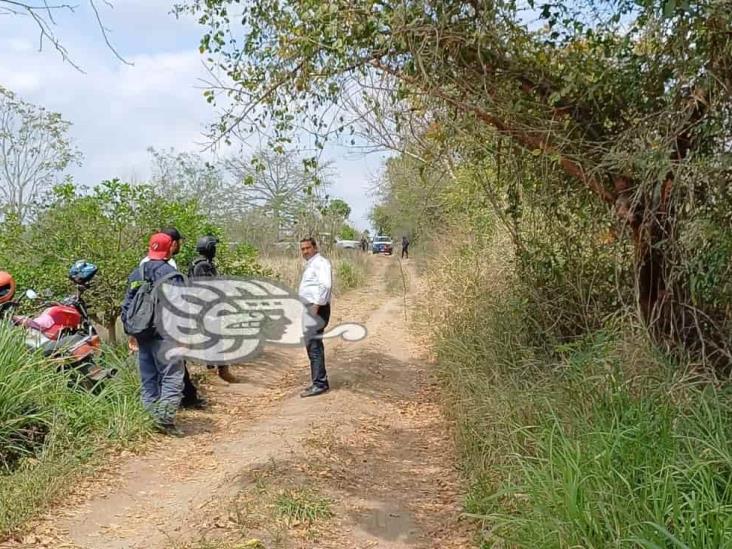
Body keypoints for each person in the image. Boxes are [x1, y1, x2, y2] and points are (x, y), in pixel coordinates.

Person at [121, 232, 186, 436]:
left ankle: (149, 418)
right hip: (165, 336)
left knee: (148, 378)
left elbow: (127, 305)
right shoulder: (173, 276)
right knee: (171, 377)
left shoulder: (137, 273)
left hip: (142, 334)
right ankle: (164, 421)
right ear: (170, 249)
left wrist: (132, 332)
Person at [188, 235, 238, 384]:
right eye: (214, 247)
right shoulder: (202, 265)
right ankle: (216, 373)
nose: (215, 250)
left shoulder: (201, 263)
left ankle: (220, 370)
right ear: (209, 249)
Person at [298, 237, 332, 398]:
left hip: (316, 308)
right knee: (312, 345)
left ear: (315, 247)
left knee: (314, 346)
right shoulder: (312, 264)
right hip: (311, 307)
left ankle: (320, 383)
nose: (305, 251)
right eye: (303, 249)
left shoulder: (321, 263)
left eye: (307, 248)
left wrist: (315, 307)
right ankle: (318, 381)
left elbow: (326, 285)